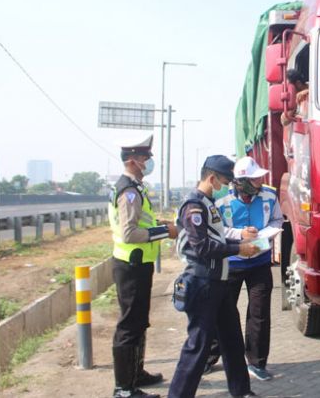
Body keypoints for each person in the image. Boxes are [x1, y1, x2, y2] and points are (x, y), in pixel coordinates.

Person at [168, 155, 260, 398]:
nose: (227, 187)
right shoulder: (194, 206)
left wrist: (240, 238)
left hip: (219, 283)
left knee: (232, 341)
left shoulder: (208, 203)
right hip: (202, 283)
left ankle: (241, 391)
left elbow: (216, 239)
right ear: (211, 178)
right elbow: (202, 247)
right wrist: (238, 249)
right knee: (197, 346)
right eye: (225, 181)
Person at [109, 134, 179, 398]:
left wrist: (161, 224)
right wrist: (165, 232)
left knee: (139, 322)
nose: (149, 162)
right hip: (131, 264)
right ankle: (124, 388)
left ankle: (136, 373)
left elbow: (143, 221)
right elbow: (129, 233)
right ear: (132, 160)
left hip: (139, 263)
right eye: (145, 158)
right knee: (129, 325)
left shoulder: (136, 187)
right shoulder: (128, 190)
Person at [207, 157, 284, 381]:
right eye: (255, 177)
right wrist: (241, 235)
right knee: (223, 313)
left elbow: (278, 220)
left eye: (260, 176)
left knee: (259, 314)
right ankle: (210, 356)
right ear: (241, 181)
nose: (260, 180)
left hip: (259, 262)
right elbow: (216, 231)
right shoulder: (221, 200)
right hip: (231, 263)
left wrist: (262, 235)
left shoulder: (270, 195)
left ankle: (257, 362)